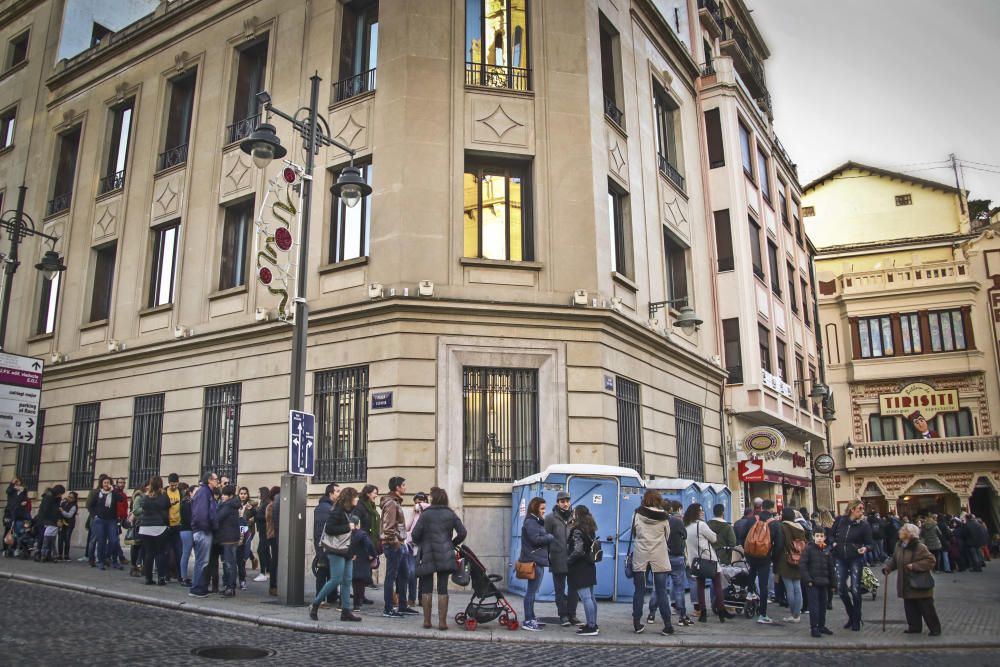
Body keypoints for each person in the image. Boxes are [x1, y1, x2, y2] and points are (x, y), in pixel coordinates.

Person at [411, 486, 467, 630]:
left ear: (434, 498)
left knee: (426, 587)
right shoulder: (450, 513)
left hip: (427, 553)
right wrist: (451, 543)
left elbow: (415, 534)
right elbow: (462, 532)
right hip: (445, 553)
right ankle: (442, 622)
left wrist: (422, 542)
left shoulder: (425, 515)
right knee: (443, 588)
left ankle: (427, 621)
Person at [309, 487, 362, 622]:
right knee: (336, 579)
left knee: (347, 581)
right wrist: (348, 527)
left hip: (347, 550)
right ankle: (315, 604)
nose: (357, 499)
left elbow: (352, 535)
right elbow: (330, 529)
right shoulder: (337, 511)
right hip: (336, 550)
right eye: (355, 496)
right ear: (349, 498)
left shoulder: (350, 511)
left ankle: (345, 611)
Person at [884, 522, 941, 636]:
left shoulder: (919, 546)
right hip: (906, 582)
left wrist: (915, 566)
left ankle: (935, 628)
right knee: (910, 607)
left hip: (920, 583)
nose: (900, 531)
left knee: (926, 608)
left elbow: (931, 560)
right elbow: (895, 560)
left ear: (909, 534)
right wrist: (888, 568)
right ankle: (914, 627)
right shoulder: (899, 545)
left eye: (903, 530)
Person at [629, 490, 674, 636]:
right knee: (661, 591)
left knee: (639, 591)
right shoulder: (664, 517)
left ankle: (637, 623)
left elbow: (634, 532)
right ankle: (668, 625)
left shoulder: (636, 514)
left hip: (641, 555)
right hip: (659, 555)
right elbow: (667, 536)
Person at [830, 499, 873, 631]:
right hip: (840, 557)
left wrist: (865, 549)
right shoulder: (840, 521)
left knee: (855, 589)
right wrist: (833, 543)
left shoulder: (864, 525)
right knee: (841, 588)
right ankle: (852, 615)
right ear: (852, 509)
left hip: (855, 558)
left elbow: (870, 543)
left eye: (862, 509)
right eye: (859, 508)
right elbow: (830, 535)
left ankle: (856, 619)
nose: (862, 511)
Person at [684, 502, 729, 623]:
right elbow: (714, 538)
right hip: (708, 560)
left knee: (700, 586)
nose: (703, 512)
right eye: (700, 510)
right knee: (717, 584)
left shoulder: (687, 526)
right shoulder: (701, 525)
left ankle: (703, 613)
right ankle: (721, 611)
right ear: (695, 513)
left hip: (695, 562)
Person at [380, 477, 417, 617]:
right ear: (397, 487)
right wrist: (396, 544)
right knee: (391, 576)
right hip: (393, 545)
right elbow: (388, 528)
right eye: (403, 485)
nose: (405, 487)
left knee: (404, 574)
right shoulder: (391, 503)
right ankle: (388, 608)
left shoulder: (395, 502)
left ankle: (402, 605)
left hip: (399, 544)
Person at [743, 498, 782, 624]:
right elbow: (779, 544)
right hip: (765, 557)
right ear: (771, 509)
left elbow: (743, 536)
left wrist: (748, 552)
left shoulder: (752, 520)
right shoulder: (775, 523)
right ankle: (763, 614)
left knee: (752, 571)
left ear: (761, 507)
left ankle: (750, 593)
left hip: (751, 555)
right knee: (763, 585)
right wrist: (772, 556)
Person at [544, 490, 579, 627]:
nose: (566, 504)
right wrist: (548, 556)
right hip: (557, 557)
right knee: (559, 589)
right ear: (558, 503)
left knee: (574, 589)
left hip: (573, 558)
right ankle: (563, 615)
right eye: (563, 501)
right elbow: (546, 538)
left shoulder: (575, 517)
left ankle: (572, 615)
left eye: (567, 501)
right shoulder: (550, 518)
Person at [519, 496, 553, 632]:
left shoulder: (536, 521)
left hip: (537, 560)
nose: (544, 511)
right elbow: (536, 539)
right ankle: (528, 620)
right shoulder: (531, 522)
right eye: (542, 508)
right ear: (535, 508)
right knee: (531, 592)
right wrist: (549, 537)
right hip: (533, 561)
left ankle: (532, 617)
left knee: (532, 591)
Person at [566, 505, 599, 636]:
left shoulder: (578, 530)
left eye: (574, 513)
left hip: (580, 567)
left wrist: (568, 560)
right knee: (591, 597)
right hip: (589, 565)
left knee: (586, 597)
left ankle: (591, 627)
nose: (572, 515)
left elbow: (578, 550)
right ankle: (593, 623)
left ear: (577, 515)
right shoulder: (590, 528)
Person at [189, 471, 219, 598]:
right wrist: (207, 527)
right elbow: (201, 513)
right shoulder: (204, 492)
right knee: (202, 561)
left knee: (202, 561)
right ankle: (197, 588)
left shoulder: (206, 492)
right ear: (209, 480)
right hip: (203, 531)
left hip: (203, 530)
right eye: (215, 479)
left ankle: (199, 587)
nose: (217, 481)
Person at [799, 530, 835, 638]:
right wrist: (808, 580)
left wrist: (833, 584)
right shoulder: (808, 549)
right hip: (812, 583)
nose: (819, 538)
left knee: (823, 606)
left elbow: (831, 568)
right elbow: (803, 566)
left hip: (823, 582)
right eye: (817, 536)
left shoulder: (826, 551)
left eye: (821, 536)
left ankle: (821, 625)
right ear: (814, 537)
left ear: (824, 538)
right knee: (814, 606)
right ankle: (814, 627)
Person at [88, 476, 126, 571]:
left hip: (112, 520)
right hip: (100, 520)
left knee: (114, 540)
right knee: (101, 541)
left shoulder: (113, 493)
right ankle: (101, 561)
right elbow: (90, 506)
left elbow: (121, 499)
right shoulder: (98, 493)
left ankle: (114, 561)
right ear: (102, 483)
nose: (106, 484)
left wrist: (113, 490)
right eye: (105, 482)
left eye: (108, 482)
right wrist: (94, 516)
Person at [138, 477, 170, 586]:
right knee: (160, 553)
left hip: (145, 527)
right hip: (159, 527)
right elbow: (168, 507)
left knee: (149, 553)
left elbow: (143, 508)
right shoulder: (163, 496)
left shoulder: (145, 496)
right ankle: (161, 577)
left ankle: (148, 578)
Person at [313, 483, 340, 607]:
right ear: (331, 493)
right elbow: (321, 529)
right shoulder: (325, 508)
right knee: (323, 571)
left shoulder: (331, 506)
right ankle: (320, 598)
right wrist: (322, 546)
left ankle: (331, 596)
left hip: (329, 544)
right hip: (324, 544)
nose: (339, 494)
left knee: (330, 570)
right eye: (337, 491)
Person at [777, 507, 806, 623]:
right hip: (799, 558)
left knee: (789, 588)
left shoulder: (782, 527)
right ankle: (797, 614)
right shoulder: (800, 528)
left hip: (786, 559)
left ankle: (793, 614)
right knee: (797, 587)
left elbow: (780, 544)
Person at [215, 484, 242, 597]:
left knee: (229, 564)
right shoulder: (232, 504)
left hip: (228, 538)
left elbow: (218, 517)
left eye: (225, 495)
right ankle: (228, 586)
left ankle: (230, 587)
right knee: (229, 563)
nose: (222, 496)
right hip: (230, 537)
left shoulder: (228, 505)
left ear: (230, 496)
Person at [404, 491, 429, 610]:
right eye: (417, 502)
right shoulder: (414, 513)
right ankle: (412, 598)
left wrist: (421, 506)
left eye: (421, 501)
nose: (419, 504)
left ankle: (422, 599)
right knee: (412, 573)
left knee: (423, 574)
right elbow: (407, 528)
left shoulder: (429, 513)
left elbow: (431, 506)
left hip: (424, 547)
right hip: (412, 546)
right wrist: (413, 514)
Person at [355, 484, 381, 597]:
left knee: (367, 567)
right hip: (362, 540)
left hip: (370, 539)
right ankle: (359, 597)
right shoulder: (360, 506)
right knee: (361, 569)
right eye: (374, 493)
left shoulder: (372, 506)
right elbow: (358, 523)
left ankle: (362, 596)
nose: (376, 495)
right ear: (368, 493)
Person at [350, 513, 378, 612]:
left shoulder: (347, 534)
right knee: (360, 583)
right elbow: (370, 545)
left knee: (353, 583)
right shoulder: (362, 534)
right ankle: (358, 603)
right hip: (361, 560)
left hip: (350, 561)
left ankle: (352, 604)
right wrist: (373, 555)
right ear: (358, 523)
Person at [35, 485, 65, 562]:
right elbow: (45, 510)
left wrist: (58, 519)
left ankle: (48, 554)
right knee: (42, 537)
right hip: (44, 520)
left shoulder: (57, 499)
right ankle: (39, 553)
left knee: (50, 538)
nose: (60, 495)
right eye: (60, 493)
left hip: (51, 520)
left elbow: (57, 509)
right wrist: (50, 520)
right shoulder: (48, 497)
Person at [165, 474, 183, 582]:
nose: (174, 487)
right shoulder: (164, 492)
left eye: (175, 485)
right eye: (172, 485)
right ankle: (167, 574)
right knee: (167, 551)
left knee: (179, 551)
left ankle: (180, 574)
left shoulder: (180, 491)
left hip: (178, 524)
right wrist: (169, 504)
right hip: (167, 525)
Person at [253, 487, 271, 582]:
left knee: (261, 550)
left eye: (259, 492)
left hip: (265, 530)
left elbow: (264, 517)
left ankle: (263, 572)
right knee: (265, 551)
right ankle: (268, 571)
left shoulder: (267, 504)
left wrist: (255, 515)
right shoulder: (263, 503)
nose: (257, 494)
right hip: (263, 530)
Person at [266, 485, 280, 595]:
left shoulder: (272, 505)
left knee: (276, 559)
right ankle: (273, 585)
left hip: (274, 535)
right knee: (275, 560)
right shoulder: (271, 506)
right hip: (274, 535)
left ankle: (276, 584)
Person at [178, 483, 193, 586]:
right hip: (187, 530)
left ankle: (183, 576)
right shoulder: (187, 503)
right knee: (186, 554)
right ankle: (183, 577)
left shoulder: (186, 502)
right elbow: (189, 519)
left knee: (185, 554)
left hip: (187, 530)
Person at [58, 491, 78, 561]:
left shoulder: (74, 506)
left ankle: (66, 555)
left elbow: (69, 515)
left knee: (67, 539)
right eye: (68, 496)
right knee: (60, 539)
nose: (69, 498)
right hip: (62, 523)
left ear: (74, 499)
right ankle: (59, 555)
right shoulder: (63, 503)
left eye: (71, 497)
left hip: (69, 524)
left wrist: (62, 511)